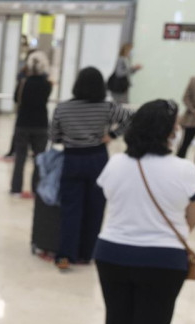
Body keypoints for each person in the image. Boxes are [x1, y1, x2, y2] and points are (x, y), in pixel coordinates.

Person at [95, 100, 195, 324]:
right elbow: (193, 220)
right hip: (163, 262)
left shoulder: (115, 165)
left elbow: (114, 203)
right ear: (170, 132)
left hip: (112, 254)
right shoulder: (186, 170)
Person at [49, 67, 133, 269]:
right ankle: (87, 253)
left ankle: (65, 255)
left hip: (72, 158)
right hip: (97, 158)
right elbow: (131, 118)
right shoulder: (107, 107)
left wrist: (70, 138)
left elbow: (54, 136)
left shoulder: (63, 108)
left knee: (71, 208)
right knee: (95, 207)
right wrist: (112, 135)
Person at [10, 51, 51, 196]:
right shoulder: (47, 84)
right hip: (41, 124)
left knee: (20, 157)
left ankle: (16, 188)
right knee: (39, 158)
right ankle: (36, 188)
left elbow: (16, 99)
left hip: (23, 123)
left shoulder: (23, 82)